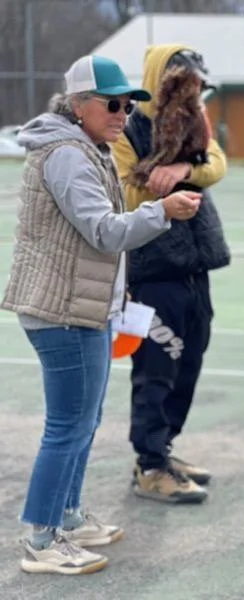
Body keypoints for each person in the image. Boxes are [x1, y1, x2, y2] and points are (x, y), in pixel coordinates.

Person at [0, 54, 200, 574]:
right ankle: (42, 540)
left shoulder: (85, 148)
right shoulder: (67, 154)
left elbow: (96, 242)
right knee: (67, 426)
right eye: (113, 104)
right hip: (62, 310)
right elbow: (104, 231)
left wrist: (117, 297)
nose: (123, 114)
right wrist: (161, 212)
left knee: (82, 423)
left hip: (80, 306)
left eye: (129, 104)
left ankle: (65, 516)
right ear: (79, 105)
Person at [111, 44, 231, 504]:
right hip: (152, 270)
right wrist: (158, 190)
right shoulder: (130, 125)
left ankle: (163, 449)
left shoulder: (193, 120)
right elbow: (125, 191)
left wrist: (184, 168)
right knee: (155, 371)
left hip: (194, 268)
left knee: (191, 361)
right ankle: (149, 464)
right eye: (185, 82)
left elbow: (216, 162)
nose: (194, 92)